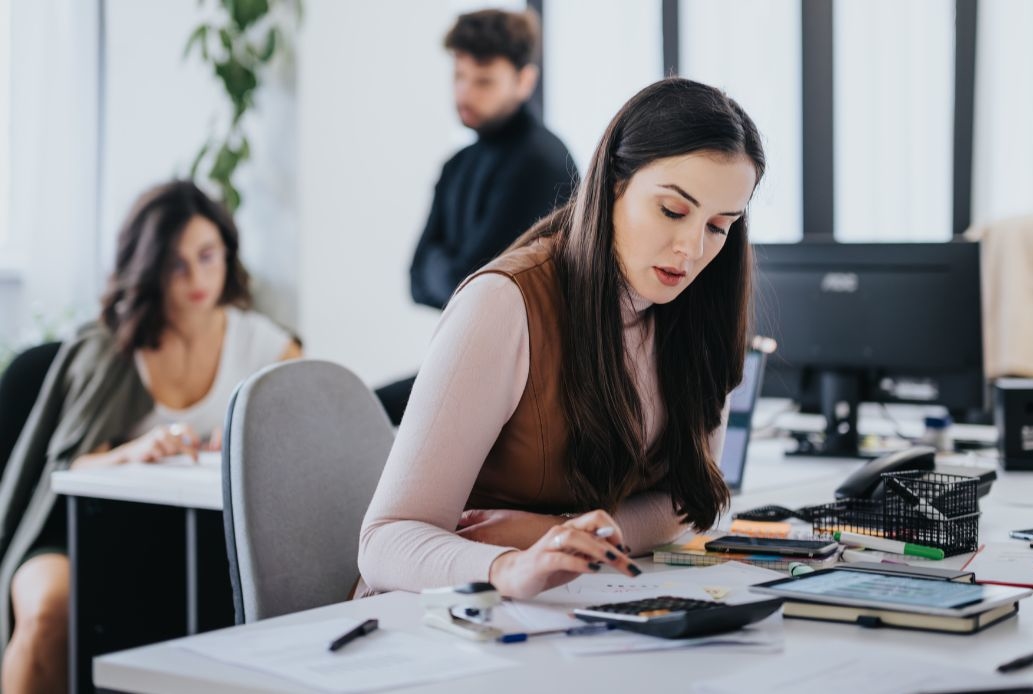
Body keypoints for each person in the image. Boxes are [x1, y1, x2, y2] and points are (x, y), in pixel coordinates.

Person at [358, 77, 765, 600]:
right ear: (612, 184)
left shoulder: (697, 310)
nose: (691, 249)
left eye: (719, 226)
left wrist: (566, 534)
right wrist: (507, 564)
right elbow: (385, 541)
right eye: (672, 211)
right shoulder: (504, 304)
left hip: (580, 612)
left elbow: (688, 499)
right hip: (442, 617)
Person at [0, 180, 301, 693]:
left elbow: (304, 439)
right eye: (175, 264)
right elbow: (67, 469)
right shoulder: (110, 347)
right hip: (80, 530)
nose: (196, 277)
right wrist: (129, 452)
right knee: (48, 607)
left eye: (208, 256)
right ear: (148, 267)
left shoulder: (266, 346)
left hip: (197, 538)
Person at [377, 8, 579, 425]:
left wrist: (447, 267)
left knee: (358, 410)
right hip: (471, 364)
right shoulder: (458, 164)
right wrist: (453, 275)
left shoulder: (542, 162)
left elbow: (476, 290)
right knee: (352, 407)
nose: (465, 93)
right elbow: (417, 279)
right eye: (459, 77)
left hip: (532, 386)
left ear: (525, 81)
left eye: (484, 81)